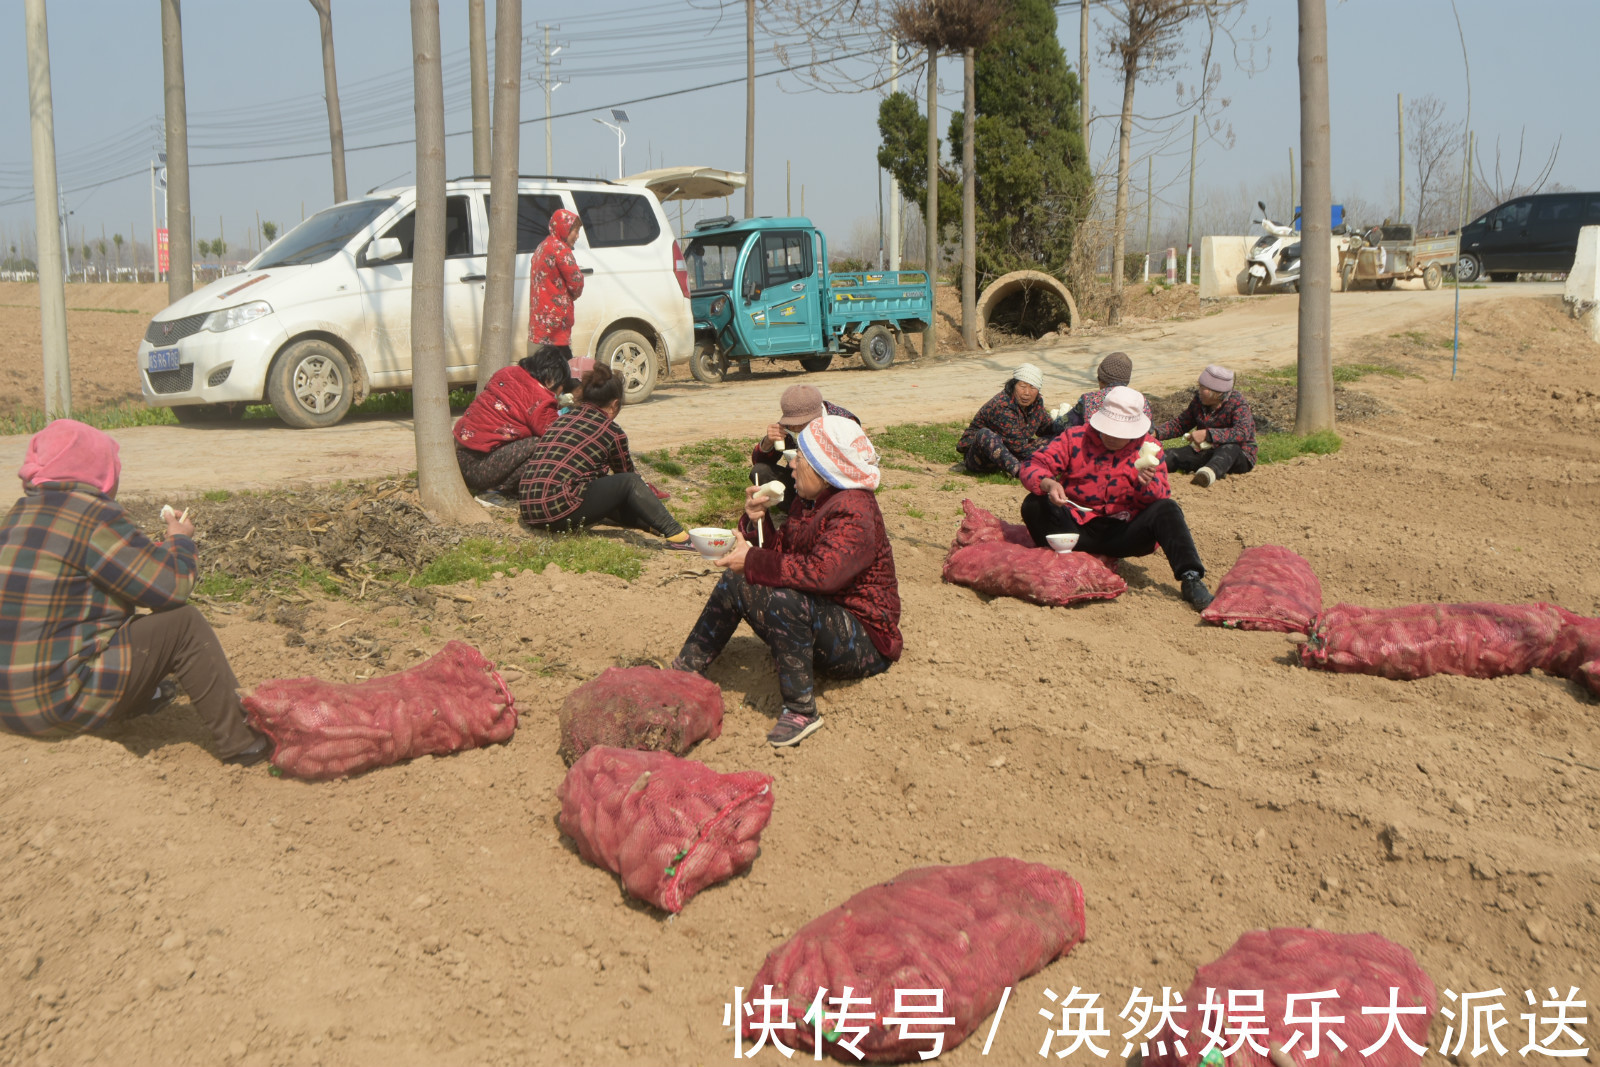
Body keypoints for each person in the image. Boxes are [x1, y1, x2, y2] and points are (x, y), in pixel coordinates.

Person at [0, 420, 271, 764]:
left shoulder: (16, 517)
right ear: (101, 472)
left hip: (7, 708)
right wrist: (179, 540)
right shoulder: (93, 516)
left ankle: (144, 697)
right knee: (182, 626)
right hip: (54, 706)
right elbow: (172, 588)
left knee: (111, 625)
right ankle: (246, 743)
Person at [673, 415, 901, 748]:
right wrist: (757, 522)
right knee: (736, 580)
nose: (791, 466)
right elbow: (784, 556)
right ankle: (685, 668)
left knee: (783, 599)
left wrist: (752, 559)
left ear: (824, 468)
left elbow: (822, 574)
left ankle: (801, 710)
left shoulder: (855, 510)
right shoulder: (810, 503)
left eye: (799, 459)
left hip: (864, 637)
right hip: (823, 614)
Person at [1018, 386, 1214, 610]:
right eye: (1108, 430)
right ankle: (1066, 557)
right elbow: (1032, 465)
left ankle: (1191, 578)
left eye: (1120, 433)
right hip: (1073, 527)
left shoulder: (1149, 448)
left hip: (1123, 532)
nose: (1112, 437)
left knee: (1168, 508)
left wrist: (1145, 484)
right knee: (1034, 504)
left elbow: (1159, 499)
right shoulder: (1074, 438)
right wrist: (1049, 483)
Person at [518, 364, 691, 548]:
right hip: (557, 509)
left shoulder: (561, 420)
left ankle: (650, 525)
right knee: (629, 482)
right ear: (615, 404)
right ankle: (679, 537)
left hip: (529, 508)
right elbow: (627, 479)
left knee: (599, 489)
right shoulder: (612, 431)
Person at [452, 346, 571, 496]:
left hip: (459, 458)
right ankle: (496, 492)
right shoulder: (540, 398)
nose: (561, 391)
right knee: (541, 444)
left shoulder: (507, 373)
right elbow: (556, 433)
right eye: (562, 386)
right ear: (552, 379)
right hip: (479, 470)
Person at [749, 384, 860, 512]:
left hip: (835, 482)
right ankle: (797, 511)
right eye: (792, 424)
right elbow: (759, 463)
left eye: (801, 423)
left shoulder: (843, 421)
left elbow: (858, 465)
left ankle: (827, 511)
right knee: (760, 471)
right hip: (799, 481)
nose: (795, 428)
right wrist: (768, 442)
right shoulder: (788, 426)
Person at [1152, 364, 1257, 487]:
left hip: (1238, 455)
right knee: (1171, 455)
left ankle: (1208, 473)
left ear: (1217, 393)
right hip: (1204, 451)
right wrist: (1156, 433)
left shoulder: (1237, 404)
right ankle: (1147, 466)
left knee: (1229, 447)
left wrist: (1207, 434)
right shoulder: (1199, 401)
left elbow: (1242, 432)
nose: (1199, 391)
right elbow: (1181, 424)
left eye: (1203, 388)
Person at [953, 363, 1063, 478]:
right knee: (985, 435)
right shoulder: (1002, 405)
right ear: (1014, 385)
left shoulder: (1037, 403)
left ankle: (1048, 465)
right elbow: (1017, 448)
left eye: (1032, 387)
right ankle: (1022, 472)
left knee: (1059, 439)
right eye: (1023, 386)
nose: (1027, 393)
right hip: (982, 458)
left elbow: (1047, 428)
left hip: (1014, 449)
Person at [528, 208, 585, 359]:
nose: (577, 236)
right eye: (575, 231)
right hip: (556, 322)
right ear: (565, 228)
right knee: (563, 366)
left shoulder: (542, 247)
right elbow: (576, 282)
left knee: (545, 365)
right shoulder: (560, 249)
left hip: (540, 321)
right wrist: (575, 294)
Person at [1061, 351, 1154, 429]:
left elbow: (1061, 425)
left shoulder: (1089, 399)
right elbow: (1150, 431)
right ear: (1126, 381)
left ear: (1100, 379)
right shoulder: (1141, 400)